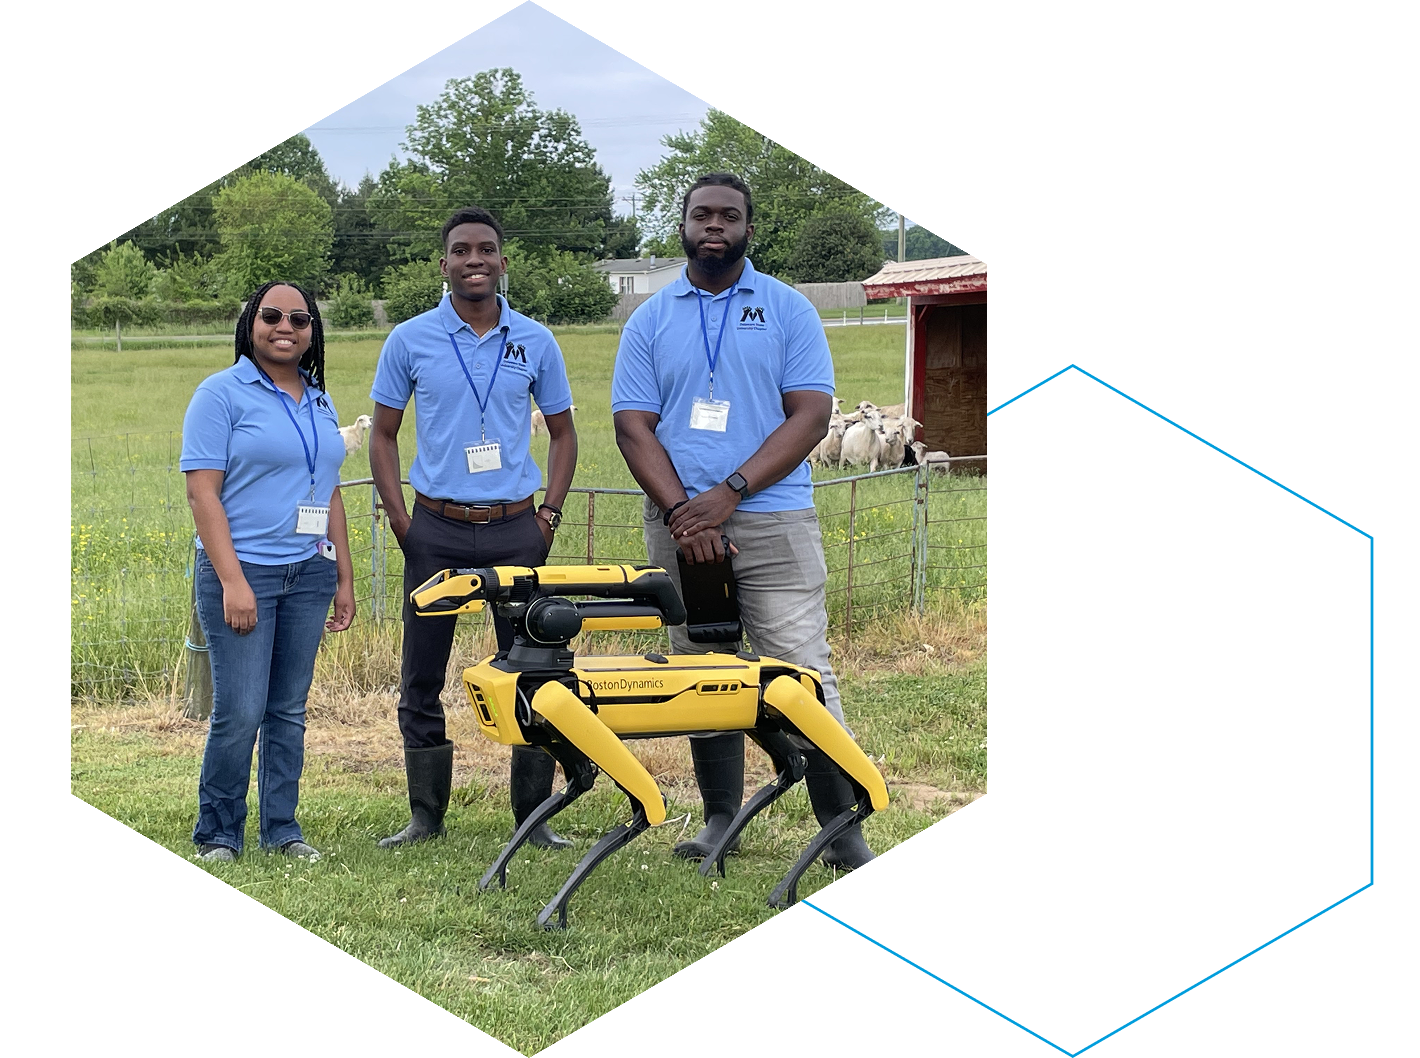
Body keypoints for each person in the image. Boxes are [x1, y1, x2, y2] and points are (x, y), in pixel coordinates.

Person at [610, 172, 875, 870]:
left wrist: (729, 492)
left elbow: (811, 415)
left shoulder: (789, 310)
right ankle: (720, 820)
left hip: (774, 520)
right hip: (680, 527)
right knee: (702, 669)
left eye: (730, 215)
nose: (715, 225)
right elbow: (633, 426)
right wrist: (682, 515)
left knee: (803, 673)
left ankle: (841, 829)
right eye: (703, 215)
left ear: (749, 228)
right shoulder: (650, 317)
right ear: (683, 226)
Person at [369, 207, 578, 850]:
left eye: (486, 249)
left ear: (502, 261)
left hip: (517, 529)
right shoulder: (409, 339)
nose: (475, 260)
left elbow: (565, 433)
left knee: (533, 669)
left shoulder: (535, 341)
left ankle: (532, 820)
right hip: (436, 528)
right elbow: (381, 433)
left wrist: (549, 515)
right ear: (445, 264)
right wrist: (404, 521)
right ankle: (425, 818)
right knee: (422, 674)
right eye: (461, 250)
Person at [181, 282, 356, 862]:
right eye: (272, 316)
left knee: (287, 709)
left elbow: (328, 493)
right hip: (244, 573)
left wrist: (344, 579)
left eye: (300, 319)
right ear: (251, 322)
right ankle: (218, 832)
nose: (287, 327)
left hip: (308, 574)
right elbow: (203, 494)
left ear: (313, 331)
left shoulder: (319, 399)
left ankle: (282, 829)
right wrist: (232, 581)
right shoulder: (220, 394)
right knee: (241, 710)